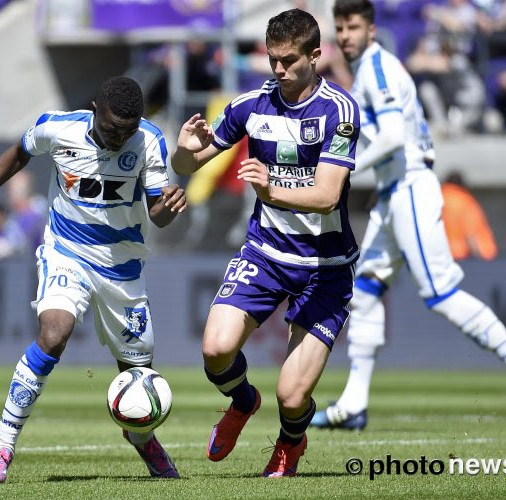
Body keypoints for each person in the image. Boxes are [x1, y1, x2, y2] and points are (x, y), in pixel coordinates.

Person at [311, 0, 506, 431]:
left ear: (372, 30)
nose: (345, 35)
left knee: (441, 293)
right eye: (339, 27)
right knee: (365, 289)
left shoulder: (378, 68)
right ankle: (354, 404)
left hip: (410, 186)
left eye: (352, 26)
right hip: (393, 191)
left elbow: (394, 137)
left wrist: (345, 169)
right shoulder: (366, 71)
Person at [0, 76, 187, 483]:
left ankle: (142, 439)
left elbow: (157, 213)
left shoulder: (149, 141)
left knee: (136, 374)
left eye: (128, 129)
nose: (120, 137)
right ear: (96, 109)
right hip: (67, 253)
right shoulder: (58, 127)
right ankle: (1, 447)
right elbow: (18, 152)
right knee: (53, 333)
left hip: (123, 268)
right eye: (112, 127)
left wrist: (171, 207)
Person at [172, 9, 360, 477]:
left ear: (316, 55)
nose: (278, 69)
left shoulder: (340, 111)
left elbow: (327, 194)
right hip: (265, 254)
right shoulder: (249, 106)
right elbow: (189, 166)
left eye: (289, 60)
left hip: (325, 265)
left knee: (293, 396)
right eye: (273, 59)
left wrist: (270, 188)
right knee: (216, 349)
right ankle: (242, 401)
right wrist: (182, 147)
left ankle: (290, 443)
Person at [440, 170, 497, 260]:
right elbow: (470, 231)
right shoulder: (465, 201)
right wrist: (478, 256)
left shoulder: (437, 200)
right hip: (464, 254)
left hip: (442, 254)